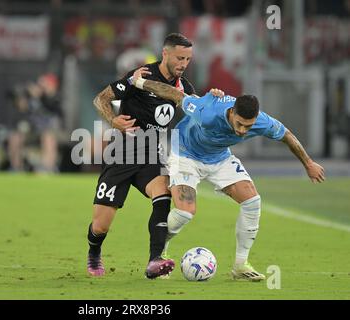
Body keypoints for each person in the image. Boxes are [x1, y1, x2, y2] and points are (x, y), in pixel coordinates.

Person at [130, 70, 325, 281]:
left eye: (248, 126)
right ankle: (161, 253)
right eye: (240, 124)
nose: (242, 131)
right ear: (231, 112)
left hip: (219, 157)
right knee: (185, 212)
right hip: (185, 153)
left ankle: (241, 265)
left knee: (252, 201)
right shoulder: (208, 111)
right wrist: (139, 82)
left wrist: (308, 163)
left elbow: (286, 135)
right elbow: (174, 94)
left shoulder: (261, 121)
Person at [87, 33, 196, 279]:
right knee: (101, 225)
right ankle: (94, 252)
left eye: (188, 59)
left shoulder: (184, 88)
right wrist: (113, 120)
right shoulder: (141, 76)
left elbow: (199, 110)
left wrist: (216, 100)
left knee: (163, 194)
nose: (183, 64)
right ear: (165, 53)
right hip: (122, 154)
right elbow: (101, 98)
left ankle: (154, 260)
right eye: (180, 58)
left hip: (151, 154)